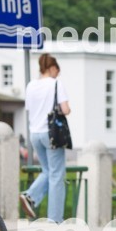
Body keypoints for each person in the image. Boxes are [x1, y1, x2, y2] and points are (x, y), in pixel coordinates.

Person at [19, 53, 71, 222]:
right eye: (57, 70)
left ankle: (29, 197)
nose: (58, 74)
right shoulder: (56, 84)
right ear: (52, 68)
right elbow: (65, 109)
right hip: (52, 134)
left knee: (48, 171)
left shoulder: (31, 85)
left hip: (35, 134)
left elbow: (29, 108)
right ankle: (54, 218)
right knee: (57, 174)